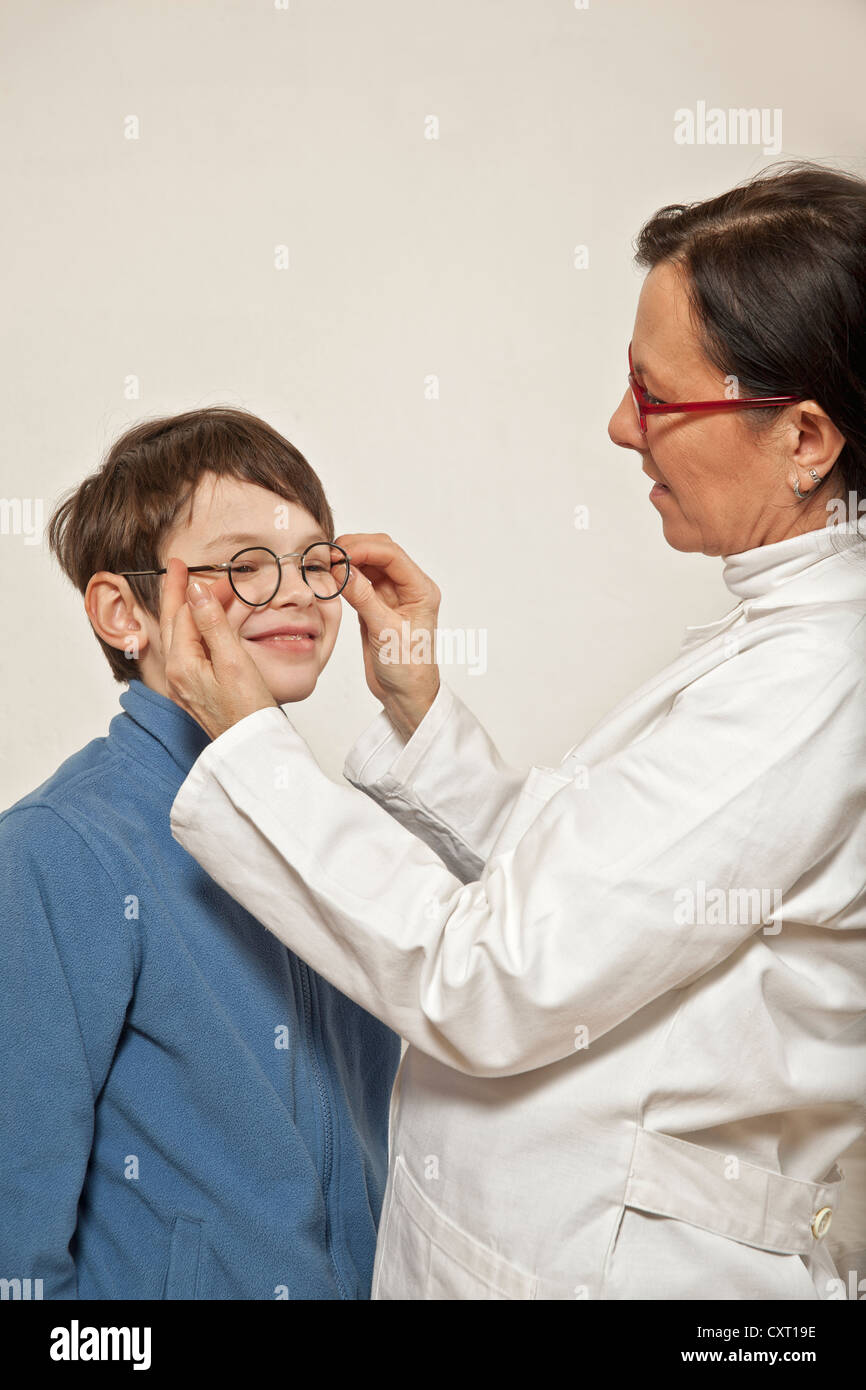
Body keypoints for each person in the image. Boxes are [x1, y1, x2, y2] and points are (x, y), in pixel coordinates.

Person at [166, 161, 866, 1301]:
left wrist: (251, 757)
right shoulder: (777, 636)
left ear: (802, 438)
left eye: (656, 397)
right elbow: (599, 885)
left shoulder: (816, 684)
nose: (617, 427)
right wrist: (421, 712)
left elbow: (498, 975)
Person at [0, 408, 400, 1299]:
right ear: (121, 611)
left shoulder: (331, 834)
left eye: (314, 560)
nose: (294, 591)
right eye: (246, 565)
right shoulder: (59, 850)